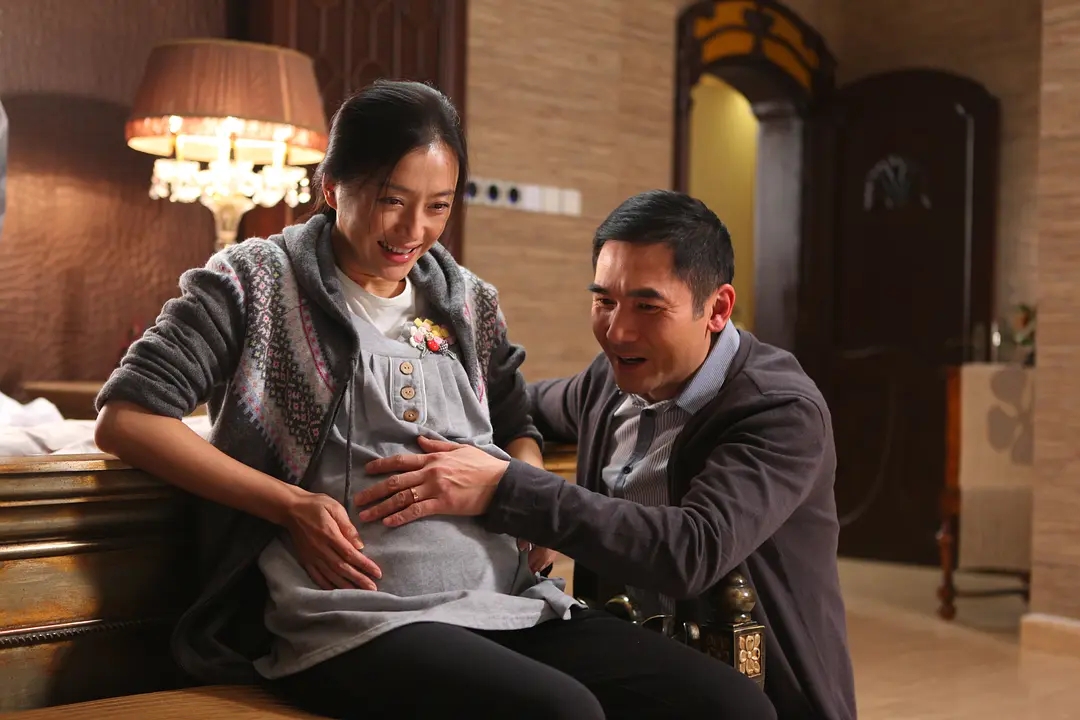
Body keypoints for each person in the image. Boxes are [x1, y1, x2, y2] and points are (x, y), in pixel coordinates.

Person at [94, 82, 775, 719]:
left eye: (439, 206)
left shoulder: (467, 300)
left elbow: (517, 420)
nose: (412, 230)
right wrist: (291, 506)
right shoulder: (253, 282)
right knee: (563, 712)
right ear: (331, 185)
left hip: (506, 596)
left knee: (732, 707)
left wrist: (530, 485)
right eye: (391, 200)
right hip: (359, 616)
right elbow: (128, 417)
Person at [356, 189, 858, 719]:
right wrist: (521, 453)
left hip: (762, 696)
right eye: (604, 301)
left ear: (717, 309)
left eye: (648, 306)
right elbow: (515, 405)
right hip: (634, 671)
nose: (617, 331)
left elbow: (692, 550)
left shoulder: (778, 409)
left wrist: (507, 488)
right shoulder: (608, 382)